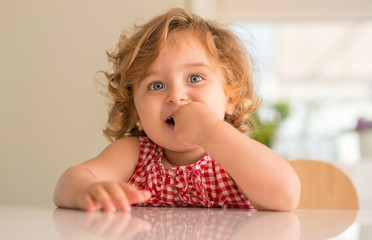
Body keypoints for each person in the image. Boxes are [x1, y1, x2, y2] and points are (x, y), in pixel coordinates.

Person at [53, 8, 300, 212]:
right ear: (136, 112)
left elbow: (286, 195)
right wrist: (88, 190)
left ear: (230, 98)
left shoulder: (235, 156)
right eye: (156, 85)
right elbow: (68, 183)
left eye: (194, 78)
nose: (176, 96)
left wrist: (210, 130)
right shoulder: (134, 155)